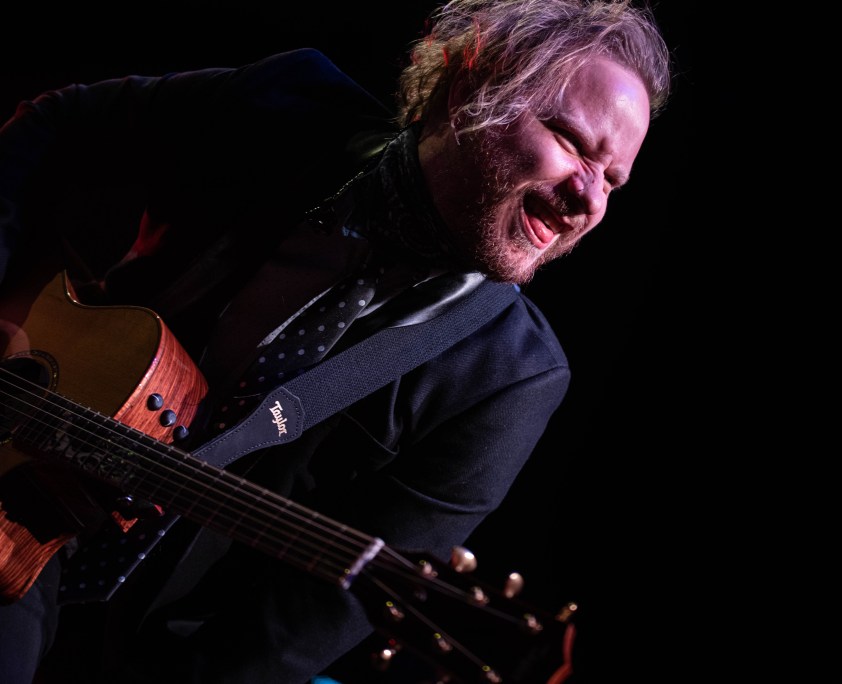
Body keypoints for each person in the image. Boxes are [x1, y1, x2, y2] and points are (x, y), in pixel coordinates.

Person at [0, 0, 672, 682]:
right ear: (472, 89)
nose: (590, 200)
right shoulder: (292, 106)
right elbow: (56, 125)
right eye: (571, 142)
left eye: (613, 180)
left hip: (129, 642)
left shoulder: (512, 380)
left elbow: (291, 634)